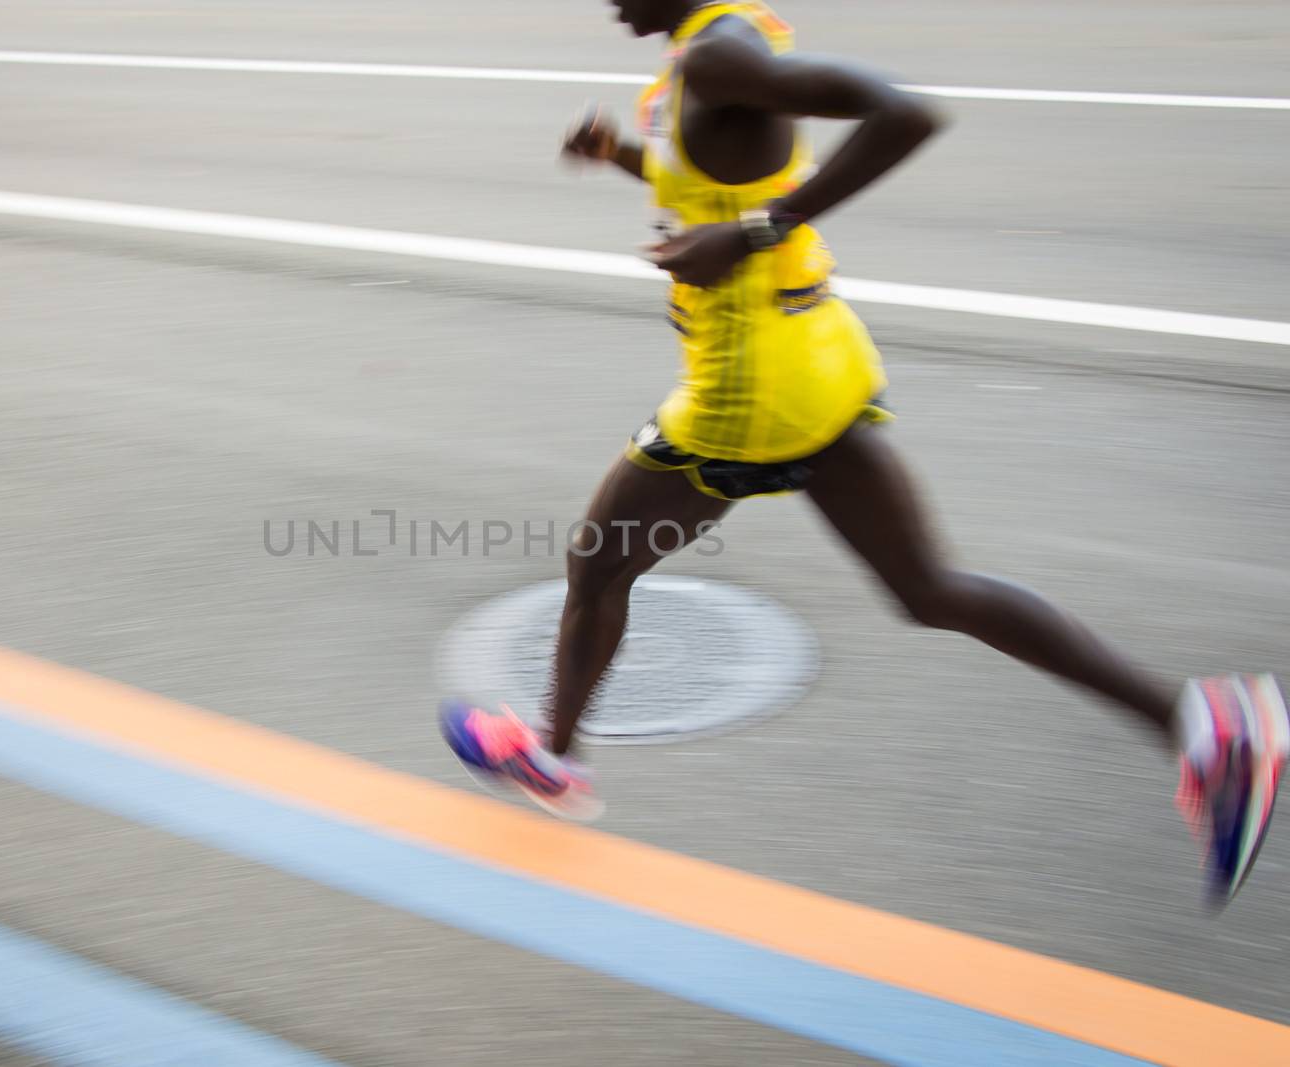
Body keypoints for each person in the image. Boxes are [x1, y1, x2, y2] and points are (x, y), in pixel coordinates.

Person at [441, 0, 1286, 906]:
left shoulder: (722, 54)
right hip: (818, 358)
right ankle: (1207, 725)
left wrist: (754, 233)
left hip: (748, 384)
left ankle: (551, 757)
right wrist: (626, 159)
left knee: (597, 567)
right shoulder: (717, 47)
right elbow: (721, 180)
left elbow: (904, 112)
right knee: (930, 590)